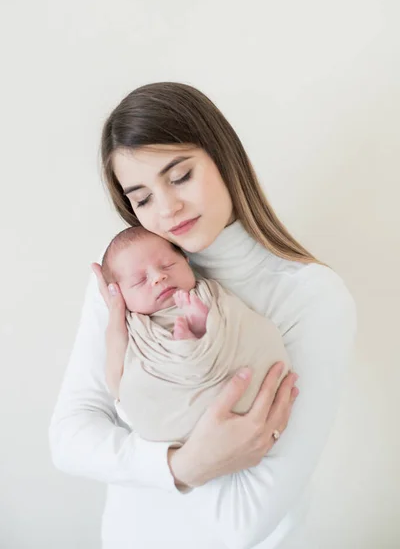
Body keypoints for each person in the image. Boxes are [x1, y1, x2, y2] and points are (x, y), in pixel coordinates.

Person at [49, 82, 357, 549]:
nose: (167, 209)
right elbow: (68, 439)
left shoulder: (311, 297)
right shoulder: (131, 275)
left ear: (222, 156)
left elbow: (244, 519)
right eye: (142, 197)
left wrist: (135, 456)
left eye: (179, 176)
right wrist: (184, 465)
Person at [100, 225, 291, 443]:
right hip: (180, 412)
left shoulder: (210, 294)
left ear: (186, 261)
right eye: (140, 281)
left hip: (249, 389)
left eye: (168, 265)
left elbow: (246, 328)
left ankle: (202, 329)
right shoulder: (134, 328)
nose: (158, 277)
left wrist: (213, 323)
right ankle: (188, 343)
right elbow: (134, 390)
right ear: (120, 295)